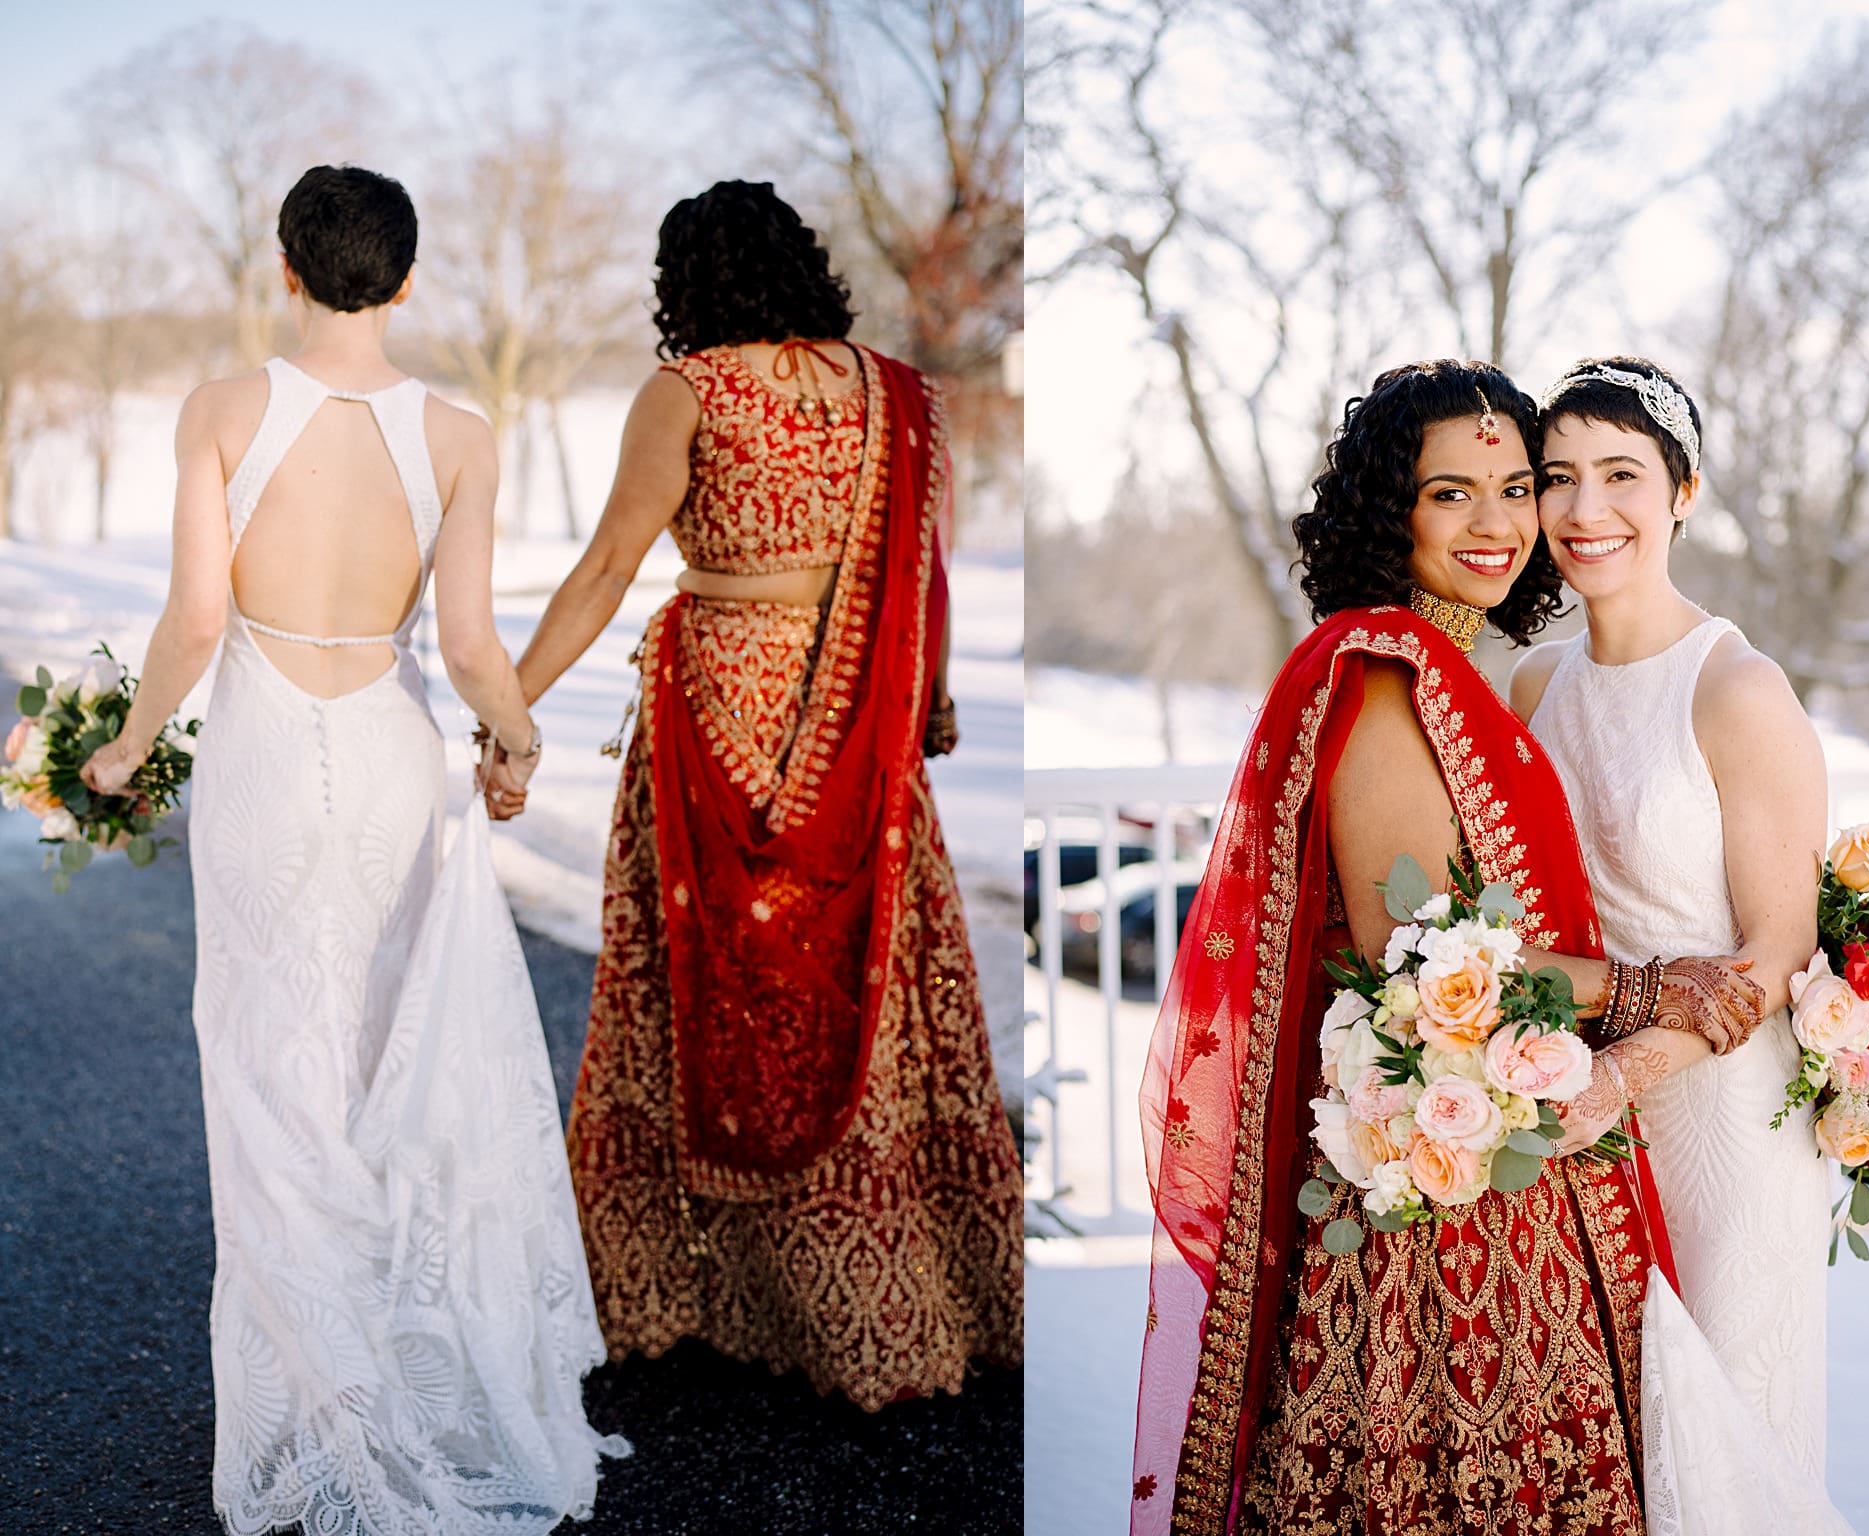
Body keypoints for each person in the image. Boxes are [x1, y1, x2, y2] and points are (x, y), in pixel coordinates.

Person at [1130, 360, 1768, 1534]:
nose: (1496, 524)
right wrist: (1649, 988)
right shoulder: (1381, 673)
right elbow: (1420, 967)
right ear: (1392, 510)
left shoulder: (1463, 668)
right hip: (1440, 1190)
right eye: (1449, 494)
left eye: (1515, 487)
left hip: (1507, 1145)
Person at [81, 165, 622, 1533]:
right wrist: (514, 744)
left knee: (268, 1055)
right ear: (407, 276)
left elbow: (198, 620)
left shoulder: (219, 410)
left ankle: (317, 1398)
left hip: (265, 751)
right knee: (389, 1049)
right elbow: (467, 649)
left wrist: (125, 746)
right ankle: (398, 1363)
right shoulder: (458, 432)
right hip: (387, 749)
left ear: (284, 269)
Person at [489, 179, 1022, 1409]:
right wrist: (921, 708)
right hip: (863, 728)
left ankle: (686, 1298)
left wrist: (507, 709)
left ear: (684, 287)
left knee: (711, 978)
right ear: (806, 267)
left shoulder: (687, 391)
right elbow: (918, 573)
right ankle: (909, 1305)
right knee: (863, 987)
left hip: (720, 712)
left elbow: (610, 565)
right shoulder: (898, 397)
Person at [1517, 356, 1849, 1516]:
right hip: (1573, 1106)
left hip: (1722, 1112)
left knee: (1721, 1442)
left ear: (1682, 492)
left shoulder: (1735, 687)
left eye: (1618, 475)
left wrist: (1625, 1069)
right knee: (1604, 1441)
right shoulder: (1528, 685)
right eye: (1555, 479)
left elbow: (1773, 952)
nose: (1582, 510)